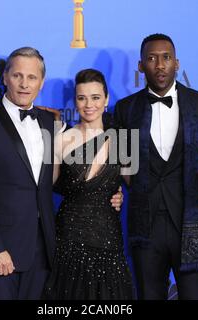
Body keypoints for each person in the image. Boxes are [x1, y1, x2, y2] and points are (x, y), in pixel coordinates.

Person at [0, 47, 124, 299]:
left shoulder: (50, 124)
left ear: (42, 82)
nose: (25, 84)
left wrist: (114, 188)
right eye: (18, 76)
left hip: (45, 252)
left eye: (32, 77)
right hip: (1, 253)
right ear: (5, 77)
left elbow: (77, 166)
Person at [114, 34, 198, 300]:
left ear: (176, 63)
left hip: (192, 220)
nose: (159, 65)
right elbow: (119, 161)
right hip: (145, 226)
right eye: (152, 58)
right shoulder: (125, 109)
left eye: (166, 57)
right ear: (141, 65)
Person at [43, 69, 134, 300]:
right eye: (81, 98)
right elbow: (46, 186)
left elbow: (138, 185)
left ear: (106, 100)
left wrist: (121, 193)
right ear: (75, 101)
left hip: (108, 239)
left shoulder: (122, 139)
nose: (88, 104)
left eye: (95, 97)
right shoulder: (60, 138)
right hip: (69, 239)